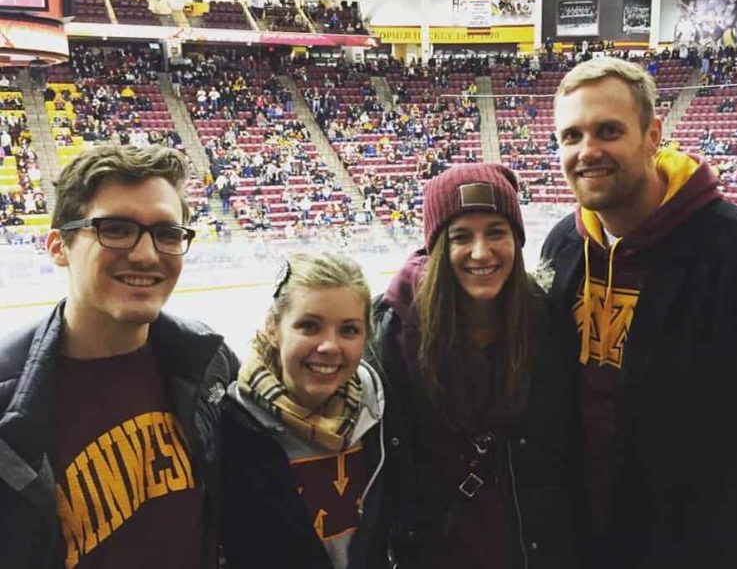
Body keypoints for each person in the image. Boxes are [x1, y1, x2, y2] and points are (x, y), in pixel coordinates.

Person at [542, 56, 737, 568]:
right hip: (579, 541)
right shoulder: (562, 245)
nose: (587, 151)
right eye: (571, 136)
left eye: (608, 131)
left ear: (652, 134)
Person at [0, 145, 239, 568]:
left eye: (167, 233)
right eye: (115, 228)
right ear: (59, 247)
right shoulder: (7, 395)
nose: (147, 254)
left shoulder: (211, 364)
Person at [374, 163, 578, 568]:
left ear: (516, 241)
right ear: (437, 247)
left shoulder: (546, 321)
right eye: (461, 237)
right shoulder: (388, 333)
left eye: (496, 232)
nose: (481, 252)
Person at [221, 252, 401, 569]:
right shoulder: (230, 427)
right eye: (309, 326)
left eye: (348, 330)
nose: (329, 346)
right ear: (273, 329)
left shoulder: (379, 412)